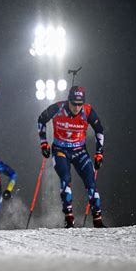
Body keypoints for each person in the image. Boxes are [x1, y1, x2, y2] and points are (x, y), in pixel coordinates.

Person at [37, 86, 105, 228]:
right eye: (74, 103)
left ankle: (98, 219)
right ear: (68, 101)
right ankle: (69, 218)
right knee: (65, 178)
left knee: (91, 183)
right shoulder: (58, 108)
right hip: (61, 150)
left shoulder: (87, 111)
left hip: (79, 150)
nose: (76, 107)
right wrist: (44, 143)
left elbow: (99, 130)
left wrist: (99, 153)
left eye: (80, 104)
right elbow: (41, 120)